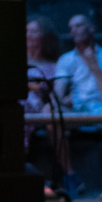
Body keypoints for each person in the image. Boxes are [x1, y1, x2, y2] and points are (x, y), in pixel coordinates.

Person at [55, 13, 102, 199]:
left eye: (78, 26)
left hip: (100, 108)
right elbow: (58, 92)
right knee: (50, 117)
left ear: (91, 28)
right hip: (76, 109)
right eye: (71, 28)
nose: (74, 31)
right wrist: (62, 98)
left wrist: (93, 64)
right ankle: (70, 176)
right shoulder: (66, 60)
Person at [24, 16, 70, 180]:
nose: (29, 35)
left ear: (44, 36)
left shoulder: (53, 66)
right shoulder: (16, 61)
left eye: (34, 31)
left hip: (40, 107)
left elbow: (55, 93)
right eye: (27, 31)